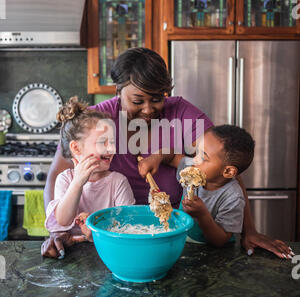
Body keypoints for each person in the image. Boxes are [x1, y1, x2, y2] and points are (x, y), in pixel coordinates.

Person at [42, 47, 293, 260]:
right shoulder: (97, 121)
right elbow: (58, 175)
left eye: (157, 98)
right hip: (109, 237)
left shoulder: (182, 113)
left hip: (172, 235)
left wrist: (250, 230)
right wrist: (55, 231)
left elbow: (225, 166)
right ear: (118, 91)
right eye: (138, 101)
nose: (149, 109)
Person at [41, 97, 135, 259]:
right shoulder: (65, 179)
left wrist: (97, 233)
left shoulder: (118, 182)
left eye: (112, 142)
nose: (112, 148)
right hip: (73, 256)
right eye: (103, 142)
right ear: (76, 147)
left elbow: (128, 229)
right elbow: (63, 221)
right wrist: (77, 183)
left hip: (109, 254)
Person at [176, 125, 254, 248]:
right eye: (196, 153)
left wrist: (202, 215)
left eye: (203, 157)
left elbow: (220, 240)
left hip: (212, 253)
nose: (194, 160)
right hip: (183, 243)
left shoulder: (233, 197)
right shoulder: (193, 168)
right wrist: (157, 158)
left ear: (228, 172)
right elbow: (171, 157)